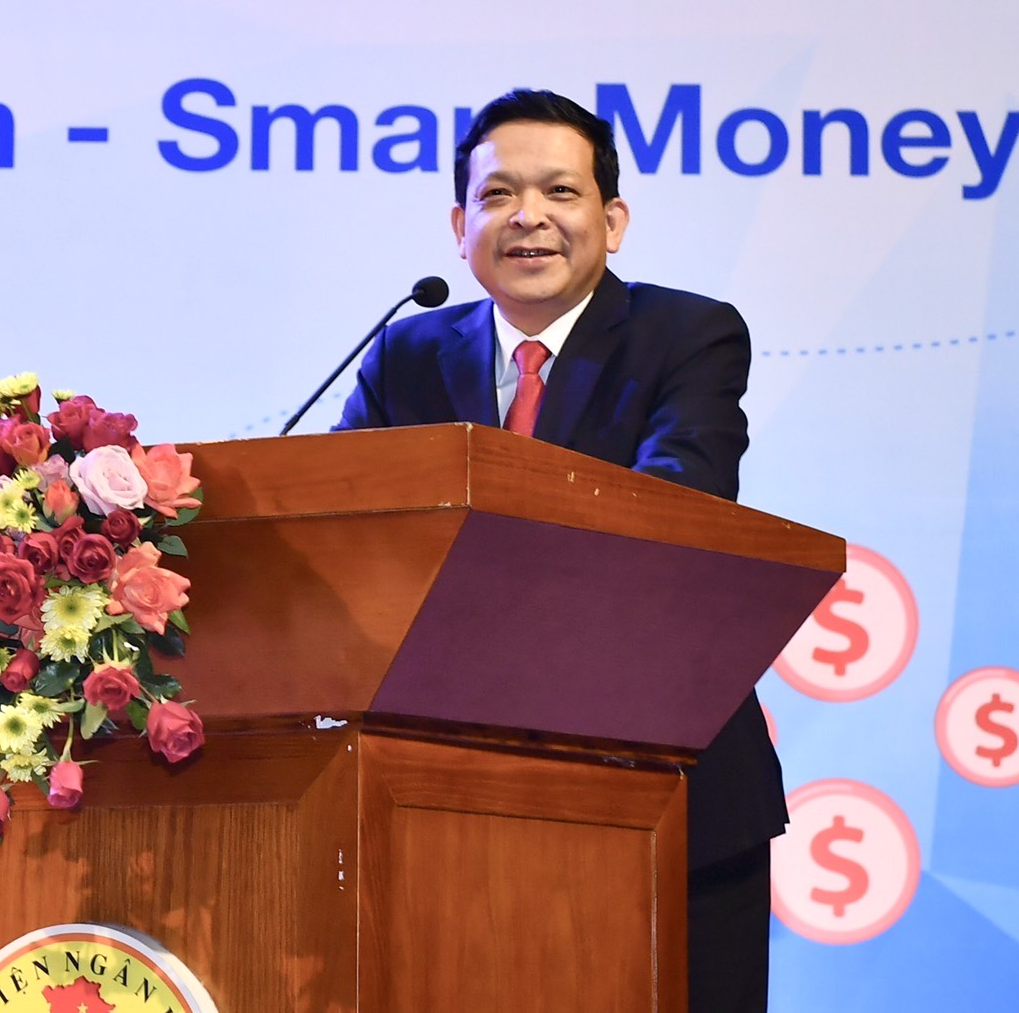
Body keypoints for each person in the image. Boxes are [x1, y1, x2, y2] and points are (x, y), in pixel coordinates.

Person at [334, 88, 785, 1011]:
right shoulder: (404, 354)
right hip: (447, 794)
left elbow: (679, 506)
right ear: (461, 226)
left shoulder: (687, 336)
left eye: (560, 192)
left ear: (612, 222)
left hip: (667, 784)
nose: (527, 216)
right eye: (498, 195)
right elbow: (345, 526)